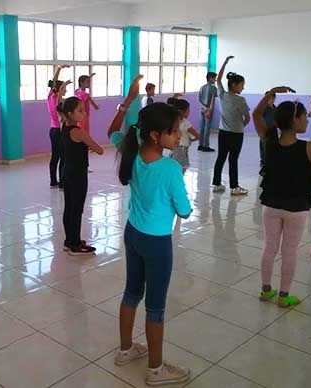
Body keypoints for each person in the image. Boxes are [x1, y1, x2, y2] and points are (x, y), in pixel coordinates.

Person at [108, 76, 193, 386]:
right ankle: (156, 369)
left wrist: (127, 100)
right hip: (157, 243)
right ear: (157, 136)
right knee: (155, 306)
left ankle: (126, 349)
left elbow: (111, 132)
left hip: (133, 234)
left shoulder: (130, 150)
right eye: (174, 131)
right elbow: (184, 210)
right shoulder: (170, 169)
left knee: (132, 293)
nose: (179, 134)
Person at [253, 86, 311, 308]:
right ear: (295, 120)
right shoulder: (310, 147)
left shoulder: (269, 141)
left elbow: (256, 114)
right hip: (297, 208)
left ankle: (265, 291)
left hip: (271, 206)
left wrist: (271, 93)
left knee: (269, 247)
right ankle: (283, 295)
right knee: (289, 250)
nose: (307, 121)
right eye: (304, 117)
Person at [58, 97, 104, 255]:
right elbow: (100, 149)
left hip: (67, 171)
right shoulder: (78, 132)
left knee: (69, 207)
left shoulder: (64, 126)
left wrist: (84, 146)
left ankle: (69, 241)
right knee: (77, 209)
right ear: (70, 113)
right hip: (78, 173)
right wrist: (88, 144)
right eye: (80, 110)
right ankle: (75, 245)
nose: (84, 113)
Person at [212, 56, 251, 195]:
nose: (243, 87)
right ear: (234, 85)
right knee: (233, 159)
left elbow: (218, 79)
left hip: (223, 132)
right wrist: (240, 126)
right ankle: (234, 187)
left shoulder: (222, 94)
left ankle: (216, 184)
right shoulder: (241, 100)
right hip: (236, 134)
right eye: (242, 85)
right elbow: (247, 118)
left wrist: (225, 62)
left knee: (221, 157)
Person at [47, 65, 70, 189]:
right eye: (64, 88)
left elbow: (53, 82)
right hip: (59, 131)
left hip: (52, 131)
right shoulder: (58, 100)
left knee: (55, 156)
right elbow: (55, 85)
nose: (65, 90)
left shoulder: (50, 96)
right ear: (59, 89)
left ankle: (53, 181)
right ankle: (62, 183)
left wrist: (60, 69)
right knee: (63, 156)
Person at [167, 98, 200, 173]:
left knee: (175, 168)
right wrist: (192, 139)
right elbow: (197, 135)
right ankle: (178, 183)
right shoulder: (186, 123)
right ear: (182, 111)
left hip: (174, 149)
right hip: (181, 150)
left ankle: (174, 182)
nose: (189, 112)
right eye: (188, 110)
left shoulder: (173, 121)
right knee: (181, 170)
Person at [198, 71, 217, 152]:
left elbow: (199, 99)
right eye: (214, 78)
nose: (215, 80)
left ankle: (200, 145)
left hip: (202, 109)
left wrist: (204, 108)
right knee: (207, 128)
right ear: (210, 78)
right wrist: (209, 110)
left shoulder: (202, 87)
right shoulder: (213, 88)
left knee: (202, 127)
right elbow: (212, 100)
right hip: (209, 110)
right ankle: (206, 146)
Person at [259, 92, 277, 176]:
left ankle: (271, 161)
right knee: (264, 146)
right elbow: (259, 118)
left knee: (273, 145)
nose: (272, 100)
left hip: (273, 130)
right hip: (265, 130)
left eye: (273, 98)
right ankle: (263, 161)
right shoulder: (263, 108)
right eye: (270, 98)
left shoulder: (274, 108)